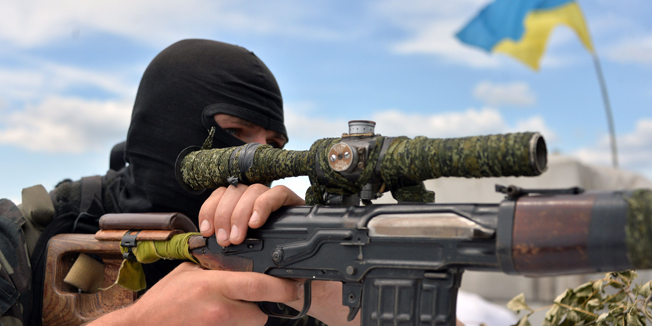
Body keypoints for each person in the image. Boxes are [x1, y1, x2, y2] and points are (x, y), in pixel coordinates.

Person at [0, 38, 357, 326]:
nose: (262, 160)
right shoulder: (18, 244)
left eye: (275, 145)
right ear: (165, 127)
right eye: (234, 131)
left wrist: (317, 276)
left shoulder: (274, 260)